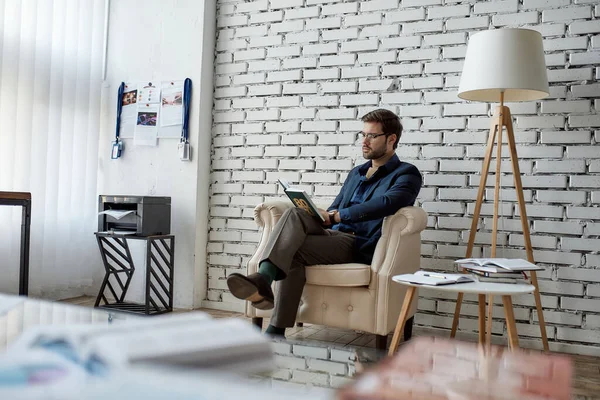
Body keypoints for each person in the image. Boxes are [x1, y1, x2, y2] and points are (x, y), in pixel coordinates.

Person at [226, 109, 422, 336]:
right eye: (363, 134)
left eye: (372, 136)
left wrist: (338, 216)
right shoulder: (356, 173)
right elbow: (335, 208)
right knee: (294, 217)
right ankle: (271, 314)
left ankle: (267, 295)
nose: (364, 141)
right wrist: (321, 213)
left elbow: (388, 202)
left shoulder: (406, 173)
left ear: (391, 139)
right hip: (335, 235)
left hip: (359, 243)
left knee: (291, 243)